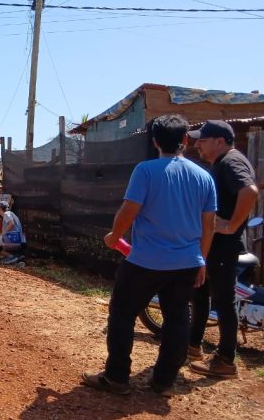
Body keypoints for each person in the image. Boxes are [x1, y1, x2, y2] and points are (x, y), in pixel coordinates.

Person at [82, 114, 216, 397]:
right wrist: (201, 258)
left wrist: (114, 237)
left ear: (154, 141)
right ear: (184, 141)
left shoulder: (145, 171)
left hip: (146, 261)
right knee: (178, 318)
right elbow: (209, 225)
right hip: (187, 262)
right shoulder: (204, 177)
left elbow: (128, 211)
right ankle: (164, 382)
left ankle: (117, 377)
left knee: (122, 313)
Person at [187, 120, 258, 378]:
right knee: (200, 291)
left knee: (223, 302)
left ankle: (225, 360)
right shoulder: (224, 162)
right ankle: (193, 346)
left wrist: (230, 225)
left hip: (223, 248)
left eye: (202, 140)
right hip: (214, 246)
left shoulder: (230, 161)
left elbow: (249, 191)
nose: (197, 145)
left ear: (219, 141)